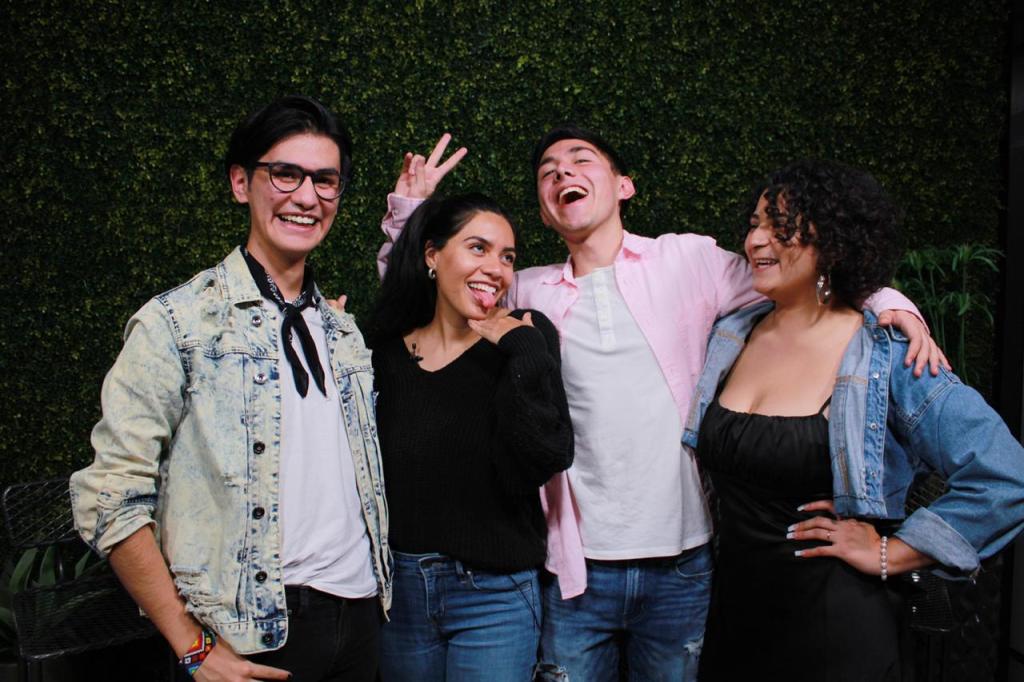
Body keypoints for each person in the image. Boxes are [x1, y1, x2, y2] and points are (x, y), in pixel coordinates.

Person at [377, 129, 943, 681]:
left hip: (684, 564)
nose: (562, 171)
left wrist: (891, 304)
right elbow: (432, 297)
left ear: (624, 186)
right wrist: (410, 213)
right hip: (575, 571)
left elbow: (798, 273)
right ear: (546, 213)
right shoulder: (526, 289)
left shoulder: (687, 259)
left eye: (581, 159)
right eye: (548, 172)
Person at [70, 95, 390, 682]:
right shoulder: (178, 323)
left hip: (361, 618)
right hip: (247, 634)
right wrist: (191, 646)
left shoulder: (342, 332)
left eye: (325, 180)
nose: (307, 197)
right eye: (285, 173)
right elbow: (109, 497)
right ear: (242, 183)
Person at [684, 159, 1024, 680]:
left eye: (782, 226)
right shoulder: (730, 334)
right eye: (754, 224)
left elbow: (1004, 475)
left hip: (834, 628)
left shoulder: (886, 352)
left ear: (834, 243)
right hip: (734, 618)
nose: (756, 240)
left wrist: (892, 552)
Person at [366, 193, 573, 681]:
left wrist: (523, 351)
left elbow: (546, 455)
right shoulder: (383, 352)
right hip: (401, 595)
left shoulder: (526, 335)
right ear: (432, 255)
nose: (496, 269)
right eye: (478, 248)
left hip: (495, 596)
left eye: (507, 257)